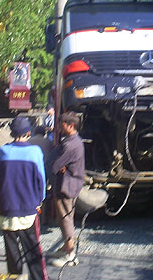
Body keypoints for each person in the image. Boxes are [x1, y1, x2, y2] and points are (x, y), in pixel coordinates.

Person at [0, 117, 48, 280]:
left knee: (11, 248)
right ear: (28, 133)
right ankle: (37, 277)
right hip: (27, 208)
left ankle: (16, 276)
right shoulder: (35, 152)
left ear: (12, 133)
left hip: (6, 207)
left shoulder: (3, 151)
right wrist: (40, 201)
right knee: (32, 248)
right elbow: (41, 180)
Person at [48, 112, 85, 267]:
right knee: (65, 217)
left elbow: (55, 165)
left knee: (66, 219)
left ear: (70, 126)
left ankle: (70, 254)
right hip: (70, 184)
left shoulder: (70, 145)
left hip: (66, 186)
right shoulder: (74, 141)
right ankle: (65, 246)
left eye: (62, 124)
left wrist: (56, 166)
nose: (59, 127)